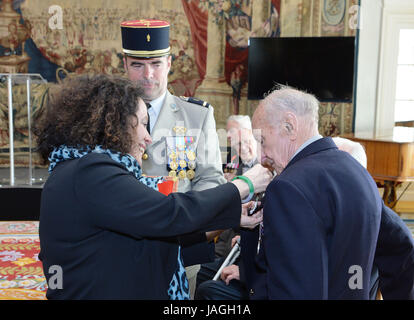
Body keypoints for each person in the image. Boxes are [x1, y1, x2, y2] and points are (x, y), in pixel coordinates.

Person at [34, 74, 272, 300]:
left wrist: (231, 217)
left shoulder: (80, 168)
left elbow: (153, 229)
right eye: (142, 124)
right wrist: (244, 184)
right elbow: (169, 213)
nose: (148, 137)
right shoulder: (91, 173)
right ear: (115, 124)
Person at [120, 19, 226, 297]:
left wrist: (183, 217)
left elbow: (211, 178)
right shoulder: (107, 118)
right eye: (137, 65)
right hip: (121, 245)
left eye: (156, 64)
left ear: (169, 63)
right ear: (124, 64)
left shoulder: (197, 115)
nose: (148, 75)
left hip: (180, 247)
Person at [247, 86, 382, 299]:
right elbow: (402, 248)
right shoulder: (358, 171)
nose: (262, 158)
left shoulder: (287, 187)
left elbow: (294, 291)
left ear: (289, 126)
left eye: (262, 141)